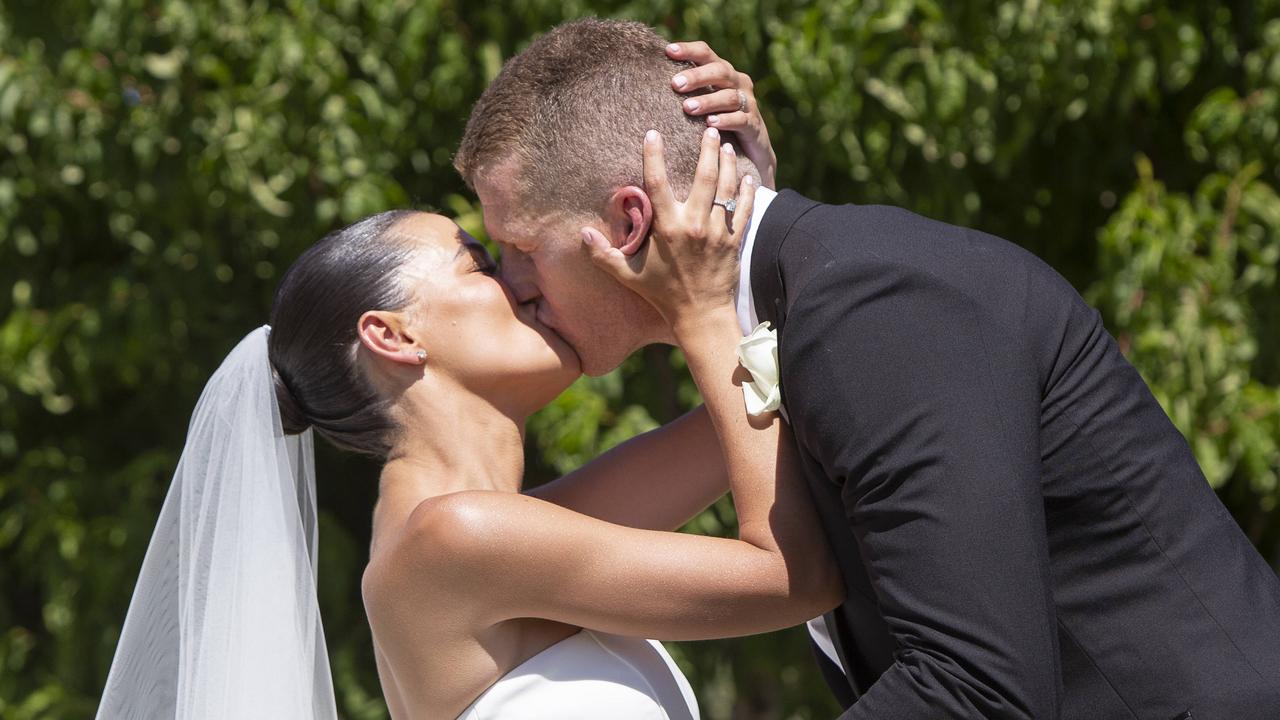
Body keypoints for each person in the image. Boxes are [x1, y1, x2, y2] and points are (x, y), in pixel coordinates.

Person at [455, 17, 1280, 719]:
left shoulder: (875, 303)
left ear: (629, 222)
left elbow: (978, 688)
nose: (511, 286)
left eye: (520, 248)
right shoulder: (814, 301)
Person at [96, 74, 842, 717]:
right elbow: (795, 577)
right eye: (482, 263)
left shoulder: (516, 529)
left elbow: (759, 404)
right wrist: (703, 311)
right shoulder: (452, 541)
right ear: (393, 336)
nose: (524, 282)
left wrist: (743, 201)